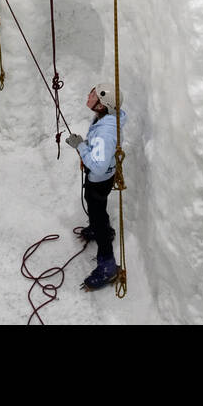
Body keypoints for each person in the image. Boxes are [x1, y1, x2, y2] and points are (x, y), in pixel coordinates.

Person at [65, 82, 126, 290]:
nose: (90, 96)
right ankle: (103, 229)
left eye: (94, 95)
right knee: (96, 208)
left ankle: (108, 265)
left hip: (98, 180)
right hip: (103, 179)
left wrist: (81, 146)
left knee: (96, 209)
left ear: (102, 106)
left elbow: (98, 167)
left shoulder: (104, 133)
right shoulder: (105, 120)